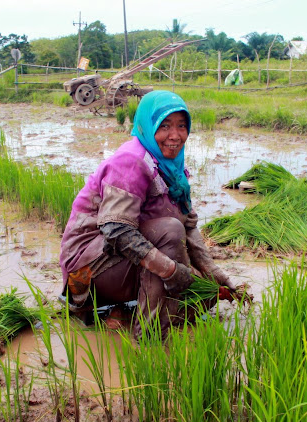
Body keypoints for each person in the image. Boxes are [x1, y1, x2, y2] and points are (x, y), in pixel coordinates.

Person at [59, 90, 236, 339]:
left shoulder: (171, 166)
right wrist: (172, 272)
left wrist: (214, 273)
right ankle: (150, 335)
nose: (175, 136)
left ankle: (131, 312)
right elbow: (117, 231)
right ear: (146, 125)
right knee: (169, 233)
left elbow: (189, 223)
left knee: (205, 296)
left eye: (182, 126)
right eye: (164, 126)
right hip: (86, 272)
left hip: (121, 261)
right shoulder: (131, 162)